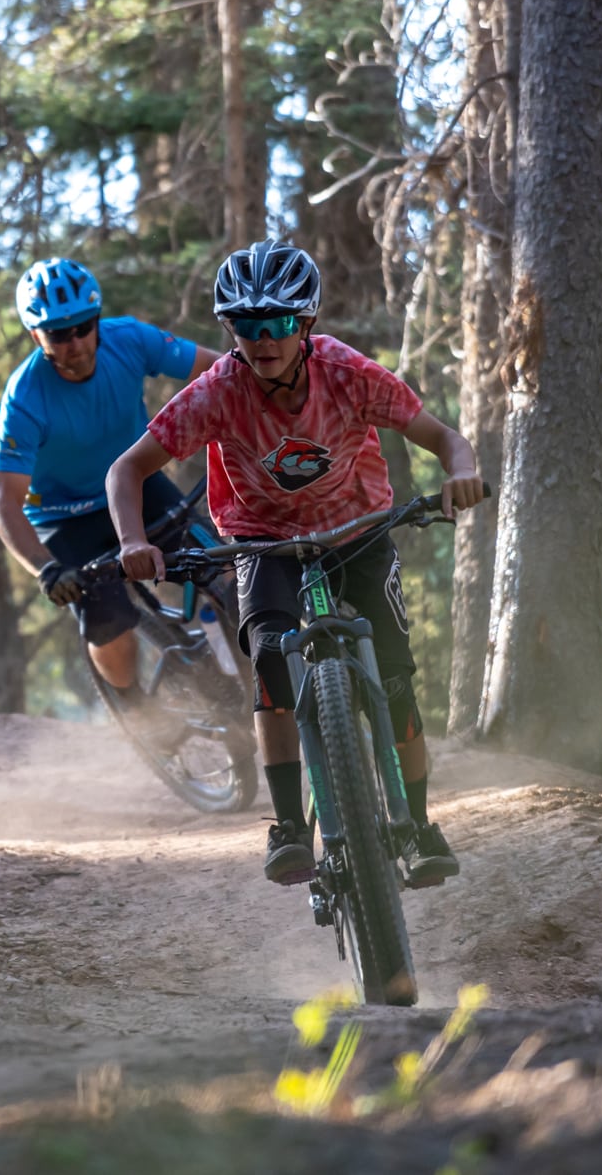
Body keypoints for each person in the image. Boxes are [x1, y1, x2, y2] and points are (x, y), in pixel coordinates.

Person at [105, 240, 486, 887]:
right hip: (263, 540)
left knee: (396, 681)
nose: (264, 341)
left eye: (279, 324)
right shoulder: (219, 389)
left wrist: (464, 471)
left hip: (358, 531)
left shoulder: (347, 373)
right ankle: (287, 825)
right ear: (232, 331)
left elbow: (442, 435)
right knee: (273, 674)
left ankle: (420, 825)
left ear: (305, 324)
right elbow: (127, 469)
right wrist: (131, 542)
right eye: (247, 328)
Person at [0, 258, 222, 709]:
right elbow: (3, 499)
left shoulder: (130, 339)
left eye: (82, 327)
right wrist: (46, 568)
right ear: (36, 336)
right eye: (59, 334)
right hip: (65, 516)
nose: (75, 342)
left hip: (136, 485)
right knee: (109, 618)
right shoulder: (24, 396)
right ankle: (137, 710)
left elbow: (217, 373)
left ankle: (242, 659)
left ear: (97, 320)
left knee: (218, 566)